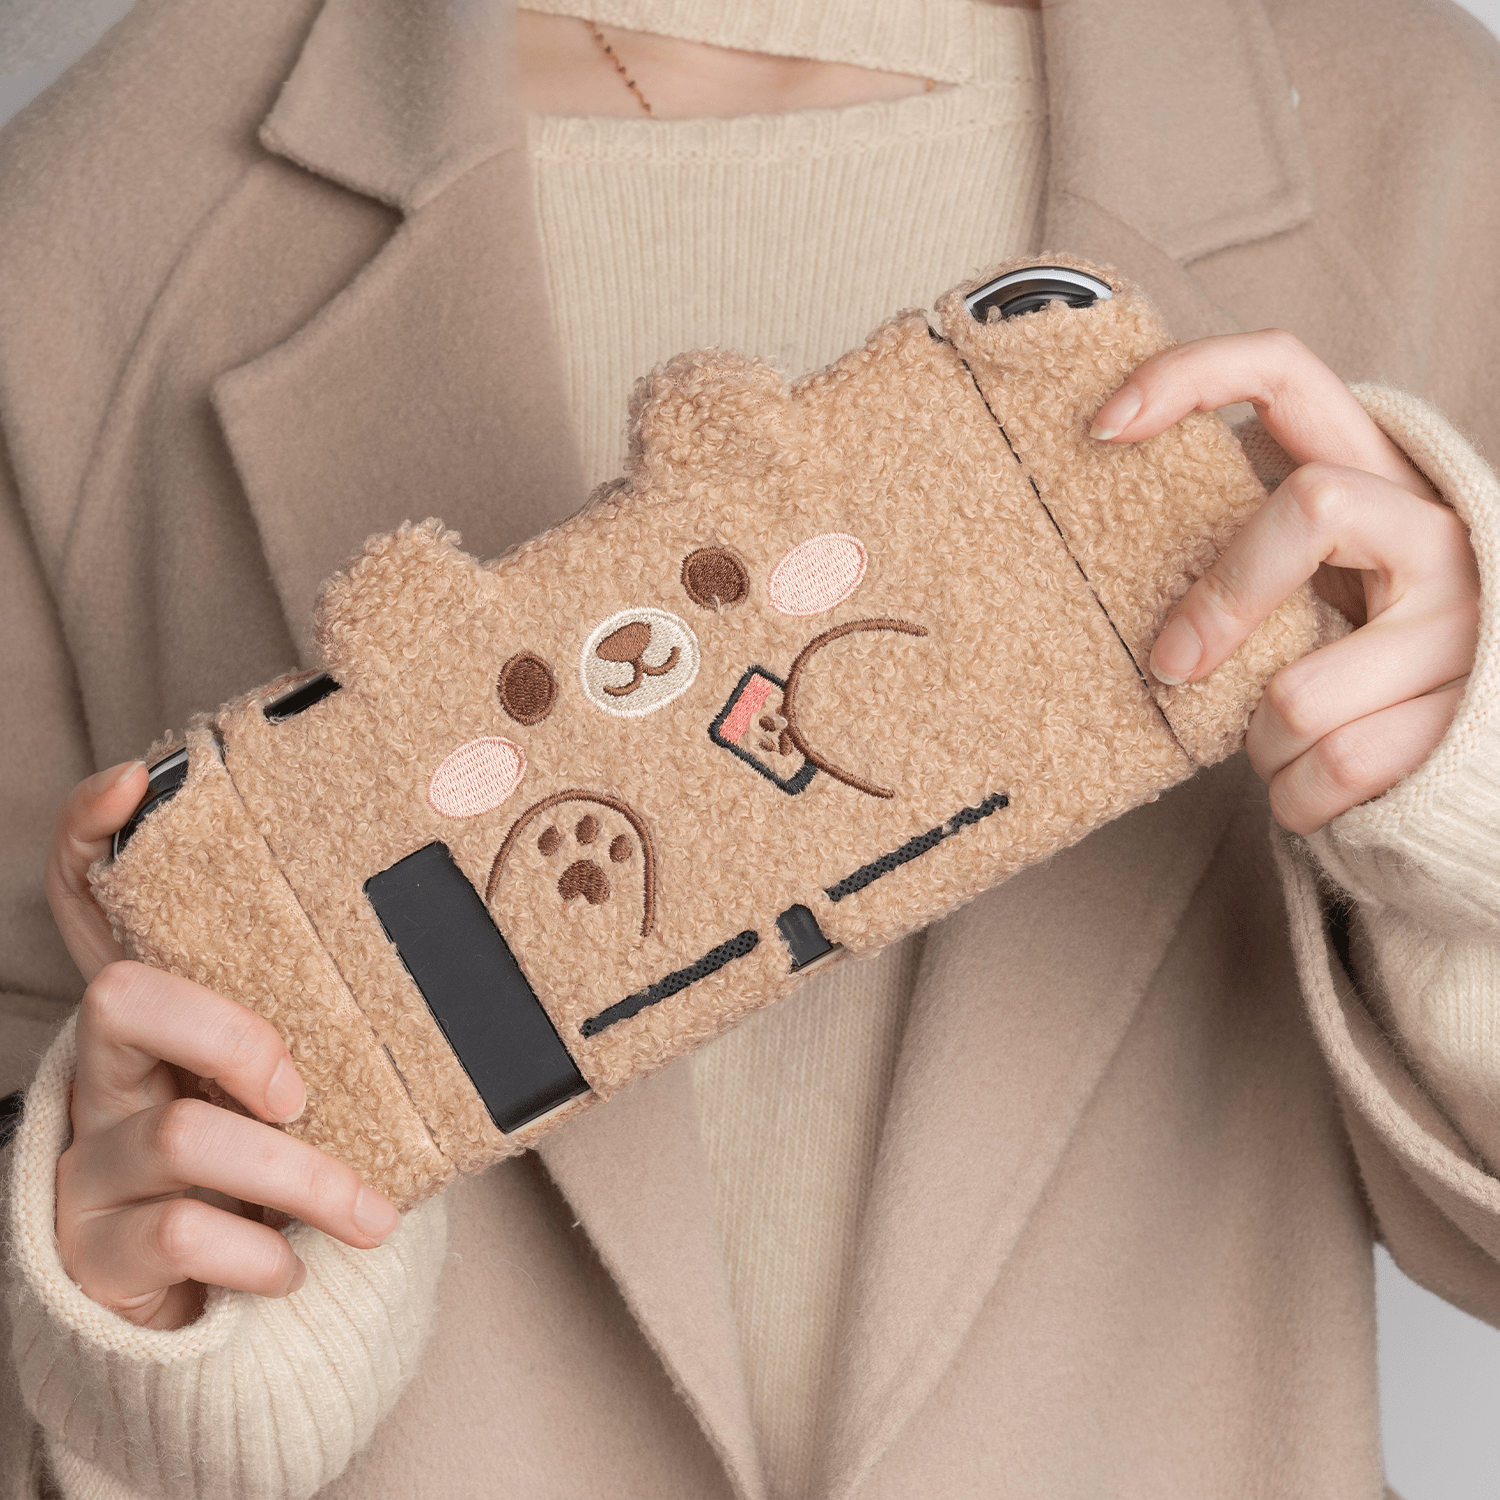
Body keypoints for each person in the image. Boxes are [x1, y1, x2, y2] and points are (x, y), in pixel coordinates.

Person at [2, 1, 1499, 1496]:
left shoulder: (1425, 144)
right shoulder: (92, 225)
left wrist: (1476, 808)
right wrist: (174, 1356)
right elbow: (76, 1274)